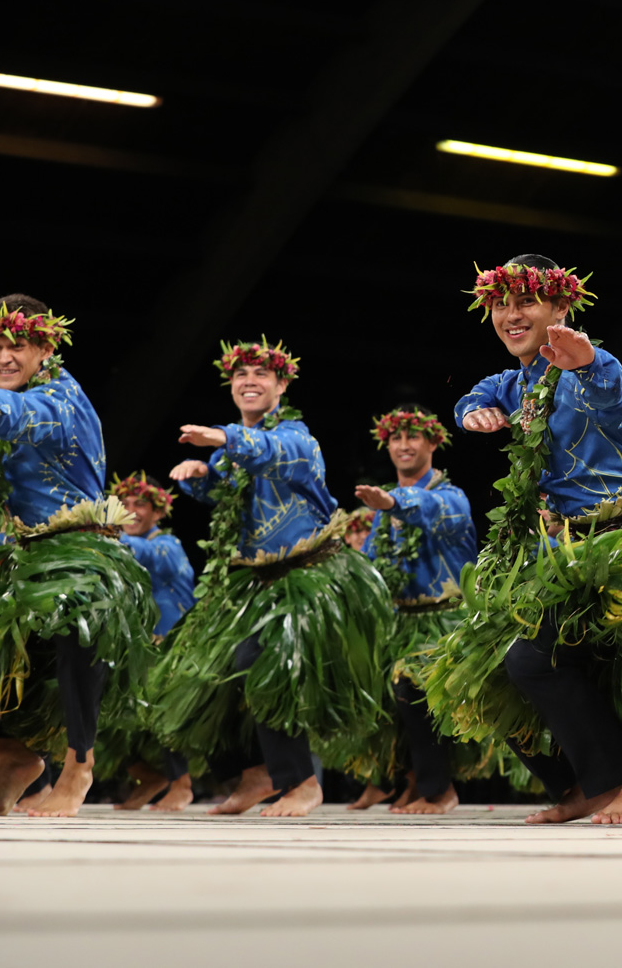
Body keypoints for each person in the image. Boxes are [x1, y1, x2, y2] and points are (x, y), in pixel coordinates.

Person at [424, 258, 622, 824]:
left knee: (534, 658)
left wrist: (588, 359)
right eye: (501, 303)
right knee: (497, 663)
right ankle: (583, 785)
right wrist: (474, 409)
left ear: (561, 308)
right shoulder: (515, 382)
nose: (511, 314)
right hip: (572, 553)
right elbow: (477, 391)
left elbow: (608, 388)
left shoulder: (592, 370)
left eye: (525, 302)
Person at [151, 338, 392, 817]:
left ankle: (300, 781)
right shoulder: (230, 449)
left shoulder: (297, 437)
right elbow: (226, 494)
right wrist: (201, 474)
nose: (249, 382)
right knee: (205, 668)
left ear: (281, 384)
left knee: (260, 661)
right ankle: (252, 775)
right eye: (241, 375)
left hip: (308, 577)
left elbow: (274, 453)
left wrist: (223, 440)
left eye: (261, 374)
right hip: (254, 582)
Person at [0, 296, 158, 817]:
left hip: (79, 553)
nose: (3, 357)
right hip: (21, 560)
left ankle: (79, 763)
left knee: (76, 618)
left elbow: (10, 414)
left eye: (17, 346)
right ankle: (11, 754)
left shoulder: (61, 398)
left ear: (45, 347)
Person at [344, 406, 478, 814]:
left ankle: (440, 790)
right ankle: (411, 781)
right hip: (399, 622)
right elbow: (372, 565)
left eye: (413, 436)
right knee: (381, 690)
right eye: (395, 438)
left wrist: (391, 502)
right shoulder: (382, 511)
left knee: (413, 686)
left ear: (434, 442)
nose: (403, 445)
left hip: (446, 622)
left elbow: (431, 511)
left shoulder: (449, 497)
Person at [107, 472, 197, 811]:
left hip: (173, 646)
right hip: (137, 648)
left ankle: (182, 785)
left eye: (139, 504)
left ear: (158, 513)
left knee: (167, 715)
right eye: (124, 505)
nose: (130, 511)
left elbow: (149, 556)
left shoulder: (167, 545)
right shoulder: (122, 547)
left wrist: (108, 532)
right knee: (114, 717)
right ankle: (148, 777)